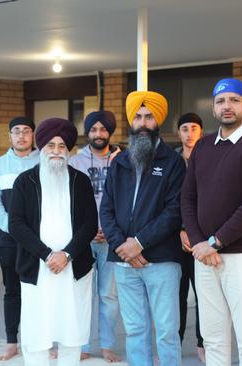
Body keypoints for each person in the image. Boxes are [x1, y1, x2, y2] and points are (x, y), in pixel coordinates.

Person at [181, 78, 242, 366]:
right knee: (213, 339)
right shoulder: (203, 147)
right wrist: (200, 243)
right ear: (213, 108)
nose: (227, 106)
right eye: (221, 101)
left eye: (235, 100)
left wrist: (214, 242)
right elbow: (187, 198)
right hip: (206, 258)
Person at [100, 90, 186, 366]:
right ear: (131, 121)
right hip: (124, 262)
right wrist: (123, 246)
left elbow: (174, 211)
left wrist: (139, 242)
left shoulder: (173, 162)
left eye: (149, 117)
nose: (143, 122)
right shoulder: (119, 162)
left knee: (166, 332)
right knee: (135, 330)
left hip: (161, 260)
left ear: (158, 120)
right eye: (138, 116)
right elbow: (107, 209)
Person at [8, 117, 98, 366]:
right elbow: (16, 224)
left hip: (73, 268)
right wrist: (47, 254)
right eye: (51, 146)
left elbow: (89, 224)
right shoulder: (25, 182)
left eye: (61, 146)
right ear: (41, 148)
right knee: (36, 332)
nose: (56, 151)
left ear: (68, 150)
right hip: (38, 268)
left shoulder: (81, 181)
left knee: (72, 330)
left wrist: (66, 254)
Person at [69, 110, 122, 362]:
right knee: (83, 294)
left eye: (102, 129)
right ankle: (82, 344)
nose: (98, 134)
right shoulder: (75, 162)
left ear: (109, 132)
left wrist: (110, 230)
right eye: (93, 129)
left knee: (109, 296)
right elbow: (69, 202)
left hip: (112, 239)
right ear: (87, 132)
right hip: (83, 239)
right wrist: (87, 230)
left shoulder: (121, 160)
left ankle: (108, 345)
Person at [0, 116, 39, 360]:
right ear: (10, 136)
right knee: (12, 289)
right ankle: (11, 342)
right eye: (16, 131)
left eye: (26, 131)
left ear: (33, 135)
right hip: (8, 239)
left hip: (40, 240)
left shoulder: (44, 161)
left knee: (38, 290)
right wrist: (15, 228)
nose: (21, 136)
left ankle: (38, 339)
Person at [175, 112, 205, 363]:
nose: (189, 133)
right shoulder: (171, 161)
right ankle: (173, 344)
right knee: (177, 297)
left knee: (204, 294)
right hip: (176, 238)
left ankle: (202, 343)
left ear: (201, 132)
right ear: (179, 134)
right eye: (185, 128)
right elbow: (168, 200)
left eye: (194, 128)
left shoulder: (209, 156)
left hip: (203, 237)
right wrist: (180, 229)